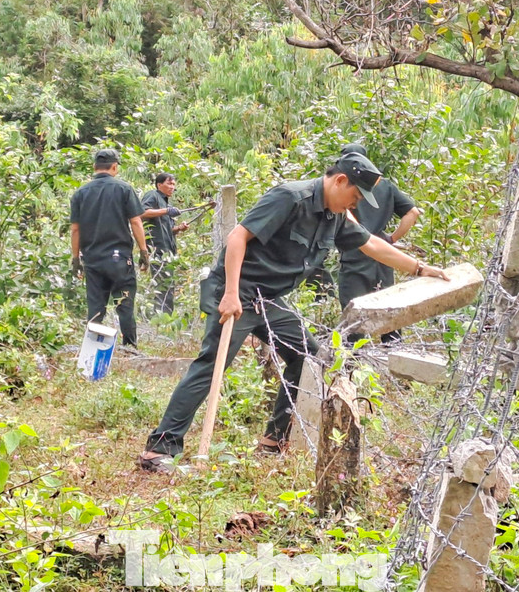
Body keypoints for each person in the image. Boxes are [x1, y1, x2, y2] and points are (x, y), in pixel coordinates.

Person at [137, 152, 448, 472]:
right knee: (212, 364)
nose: (355, 204)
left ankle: (275, 439)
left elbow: (371, 245)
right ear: (340, 181)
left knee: (308, 358)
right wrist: (230, 293)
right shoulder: (290, 197)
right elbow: (237, 237)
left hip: (270, 300)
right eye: (355, 196)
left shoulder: (335, 216)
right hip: (238, 291)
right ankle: (159, 448)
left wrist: (420, 268)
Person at [335, 142, 422, 344]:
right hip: (384, 257)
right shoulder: (383, 185)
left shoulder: (345, 186)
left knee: (352, 322)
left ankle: (351, 367)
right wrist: (391, 240)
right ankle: (394, 360)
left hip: (354, 254)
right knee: (389, 314)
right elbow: (413, 212)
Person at [69, 148, 150, 349]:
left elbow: (75, 229)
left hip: (93, 259)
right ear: (114, 167)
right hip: (119, 258)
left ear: (94, 168)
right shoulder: (124, 189)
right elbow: (136, 222)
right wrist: (144, 251)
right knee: (124, 304)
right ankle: (130, 348)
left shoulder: (80, 193)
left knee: (96, 307)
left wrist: (76, 258)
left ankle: (91, 349)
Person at [141, 173, 189, 314]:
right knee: (161, 286)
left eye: (174, 184)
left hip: (169, 252)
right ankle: (159, 319)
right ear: (159, 184)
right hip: (157, 250)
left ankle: (165, 319)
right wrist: (166, 211)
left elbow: (167, 231)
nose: (172, 187)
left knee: (168, 286)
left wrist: (179, 228)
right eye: (169, 184)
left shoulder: (167, 204)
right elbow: (142, 212)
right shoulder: (153, 196)